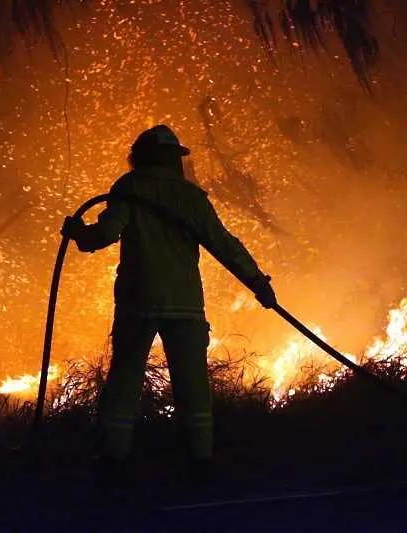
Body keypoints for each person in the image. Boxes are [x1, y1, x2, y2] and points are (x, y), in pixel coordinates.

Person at [61, 125, 276, 483]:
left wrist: (78, 232)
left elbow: (105, 234)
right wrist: (258, 283)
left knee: (125, 381)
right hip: (185, 305)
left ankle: (113, 461)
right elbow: (223, 244)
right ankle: (201, 461)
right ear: (174, 159)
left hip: (138, 302)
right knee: (192, 386)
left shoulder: (128, 189)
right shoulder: (192, 197)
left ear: (139, 157)